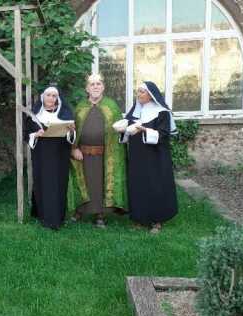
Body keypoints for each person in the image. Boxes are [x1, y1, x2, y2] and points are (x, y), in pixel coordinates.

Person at [116, 81, 178, 233]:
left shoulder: (162, 112)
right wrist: (123, 130)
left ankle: (157, 221)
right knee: (138, 186)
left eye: (142, 92)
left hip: (156, 157)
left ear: (151, 94)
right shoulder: (134, 112)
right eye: (138, 92)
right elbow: (127, 134)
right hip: (137, 157)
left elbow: (163, 135)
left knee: (155, 186)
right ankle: (139, 219)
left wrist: (144, 130)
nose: (139, 94)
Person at [68, 74, 128, 227]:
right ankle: (80, 210)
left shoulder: (111, 106)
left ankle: (100, 215)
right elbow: (73, 130)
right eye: (92, 84)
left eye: (98, 84)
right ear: (87, 88)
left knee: (100, 183)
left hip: (104, 154)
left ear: (103, 87)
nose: (95, 86)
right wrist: (74, 148)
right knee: (83, 183)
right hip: (82, 154)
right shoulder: (80, 107)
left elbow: (119, 131)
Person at [24, 86, 76, 230]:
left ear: (58, 98)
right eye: (48, 95)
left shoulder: (65, 114)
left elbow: (71, 138)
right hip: (41, 155)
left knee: (59, 183)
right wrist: (36, 134)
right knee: (44, 182)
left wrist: (71, 131)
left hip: (60, 155)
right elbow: (26, 134)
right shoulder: (35, 115)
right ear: (42, 97)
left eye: (54, 96)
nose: (51, 98)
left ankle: (58, 216)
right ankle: (44, 216)